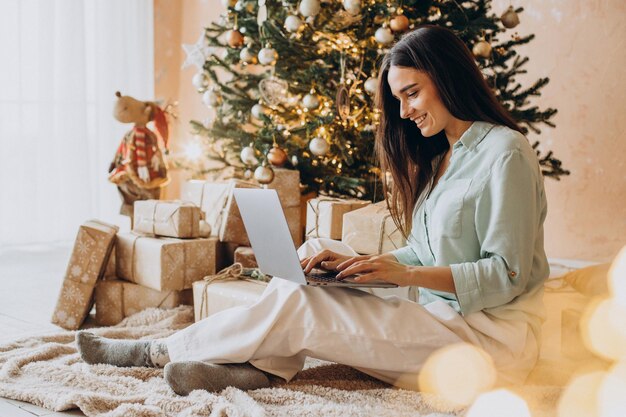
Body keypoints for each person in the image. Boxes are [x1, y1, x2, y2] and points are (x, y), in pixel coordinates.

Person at [76, 25, 549, 395]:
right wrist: (370, 266)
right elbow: (427, 253)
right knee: (318, 250)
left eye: (412, 93)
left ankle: (159, 350)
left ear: (447, 77)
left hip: (483, 342)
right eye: (398, 97)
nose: (404, 112)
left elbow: (505, 275)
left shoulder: (506, 153)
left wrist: (402, 275)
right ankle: (262, 369)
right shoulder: (443, 154)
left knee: (307, 305)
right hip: (433, 311)